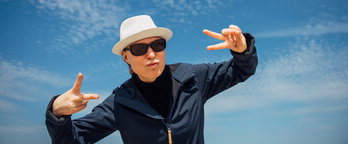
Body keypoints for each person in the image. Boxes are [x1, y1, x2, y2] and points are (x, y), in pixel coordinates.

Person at [46, 15, 258, 144]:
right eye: (139, 48)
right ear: (126, 57)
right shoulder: (119, 103)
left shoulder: (192, 78)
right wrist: (57, 113)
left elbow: (241, 71)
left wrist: (242, 50)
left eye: (157, 45)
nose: (151, 54)